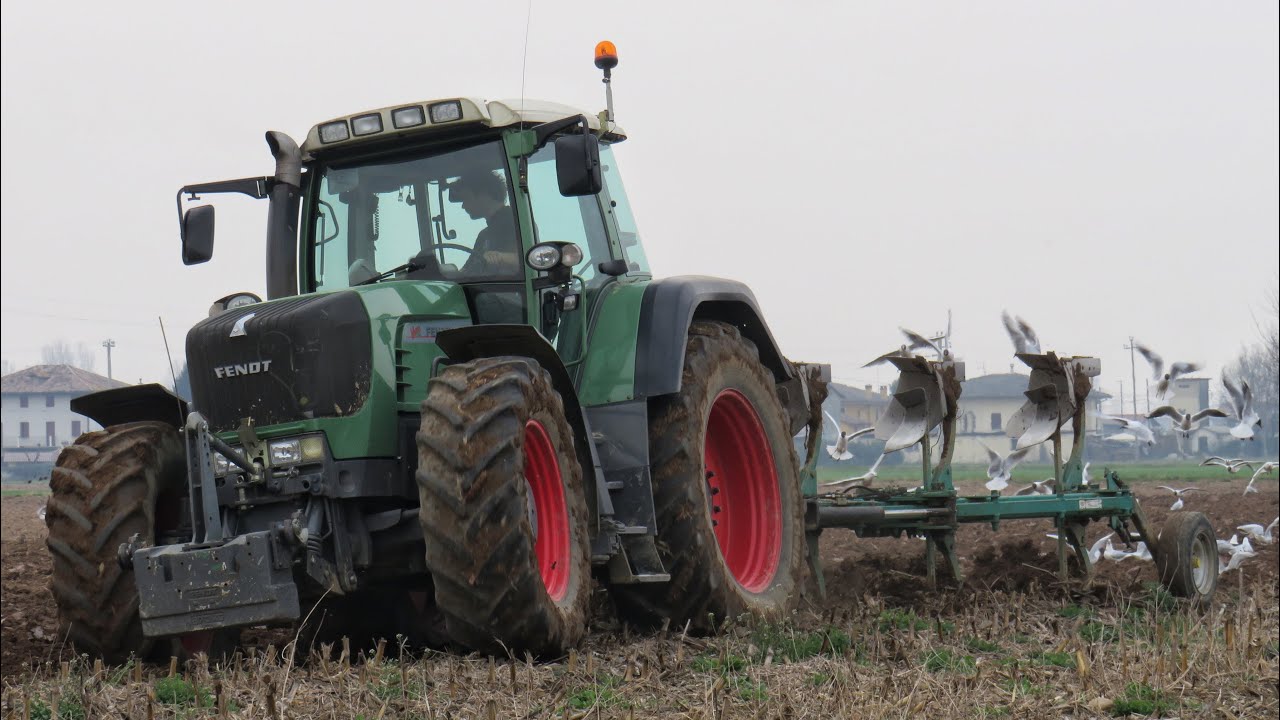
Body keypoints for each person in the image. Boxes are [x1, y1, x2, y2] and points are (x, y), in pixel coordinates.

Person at [448, 168, 521, 278]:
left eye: (466, 198)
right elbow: (466, 271)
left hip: (506, 292)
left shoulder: (516, 223)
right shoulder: (484, 235)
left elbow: (525, 260)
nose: (463, 206)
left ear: (484, 194)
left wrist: (500, 257)